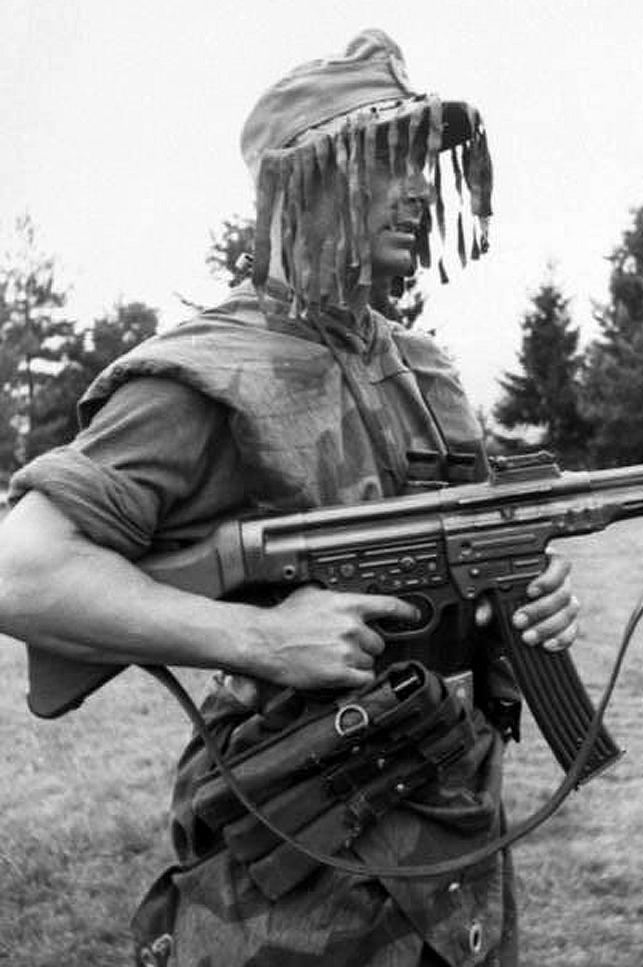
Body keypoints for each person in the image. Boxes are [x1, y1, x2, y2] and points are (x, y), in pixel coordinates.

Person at [0, 29, 579, 967]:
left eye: (425, 163)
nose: (422, 188)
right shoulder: (203, 376)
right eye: (390, 163)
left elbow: (458, 563)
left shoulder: (423, 367)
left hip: (452, 843)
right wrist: (260, 638)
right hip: (291, 881)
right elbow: (21, 573)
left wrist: (523, 592)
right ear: (305, 181)